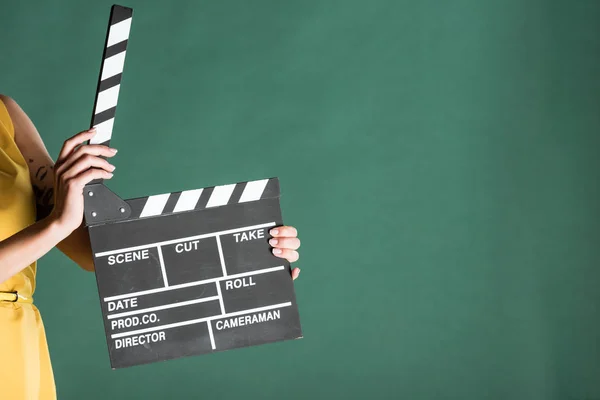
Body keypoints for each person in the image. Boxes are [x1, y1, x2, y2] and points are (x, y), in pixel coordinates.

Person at [0, 94, 302, 399]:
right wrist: (57, 224)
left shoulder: (6, 115)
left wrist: (248, 261)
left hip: (21, 342)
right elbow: (58, 226)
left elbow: (97, 255)